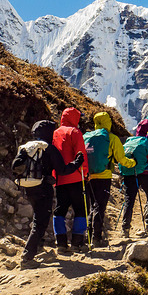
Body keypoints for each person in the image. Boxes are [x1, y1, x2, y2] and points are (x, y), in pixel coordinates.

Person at [11, 120, 85, 268]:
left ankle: (38, 249)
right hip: (43, 188)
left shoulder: (26, 147)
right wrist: (77, 162)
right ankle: (27, 257)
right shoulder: (48, 148)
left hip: (28, 188)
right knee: (40, 222)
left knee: (38, 218)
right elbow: (62, 170)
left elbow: (15, 167)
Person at [84, 111, 136, 248]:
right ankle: (96, 238)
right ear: (108, 122)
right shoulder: (111, 138)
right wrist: (133, 163)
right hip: (104, 176)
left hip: (88, 177)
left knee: (91, 206)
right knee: (99, 207)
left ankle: (87, 237)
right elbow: (121, 159)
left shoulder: (87, 136)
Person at [52, 108, 89, 254]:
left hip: (60, 178)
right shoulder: (75, 132)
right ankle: (77, 243)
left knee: (60, 209)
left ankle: (61, 242)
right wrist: (85, 173)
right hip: (76, 177)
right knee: (80, 209)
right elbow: (81, 154)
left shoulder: (55, 133)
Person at [119, 119, 148, 237]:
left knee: (129, 200)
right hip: (144, 174)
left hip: (129, 173)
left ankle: (125, 228)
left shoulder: (130, 140)